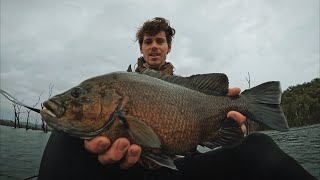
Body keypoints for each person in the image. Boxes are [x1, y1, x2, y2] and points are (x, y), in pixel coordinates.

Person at [38, 17, 316, 180]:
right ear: (142, 48)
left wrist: (241, 125)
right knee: (64, 136)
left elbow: (232, 131)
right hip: (127, 172)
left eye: (160, 41)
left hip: (181, 168)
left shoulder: (189, 89)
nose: (154, 46)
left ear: (168, 47)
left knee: (259, 145)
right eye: (148, 41)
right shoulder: (120, 82)